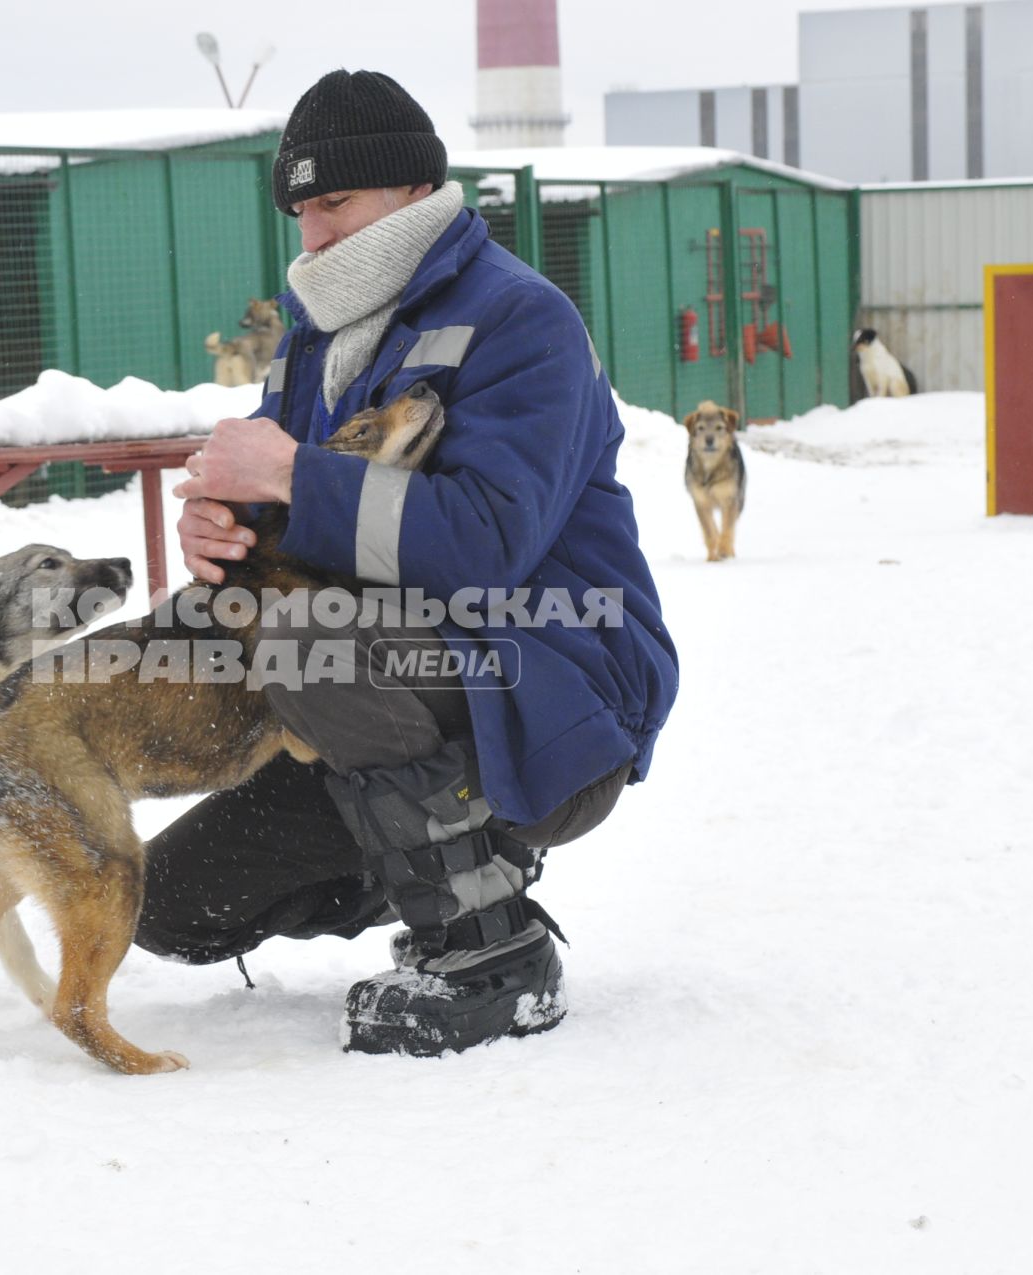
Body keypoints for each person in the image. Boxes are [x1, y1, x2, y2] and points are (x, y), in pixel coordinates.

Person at [135, 69, 679, 1056]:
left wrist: (295, 474)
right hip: (388, 682)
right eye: (300, 209)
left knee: (305, 640)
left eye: (333, 202)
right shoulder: (319, 336)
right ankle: (433, 842)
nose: (313, 233)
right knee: (167, 907)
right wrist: (225, 531)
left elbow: (485, 544)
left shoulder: (524, 319)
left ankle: (491, 950)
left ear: (409, 191)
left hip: (553, 685)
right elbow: (289, 515)